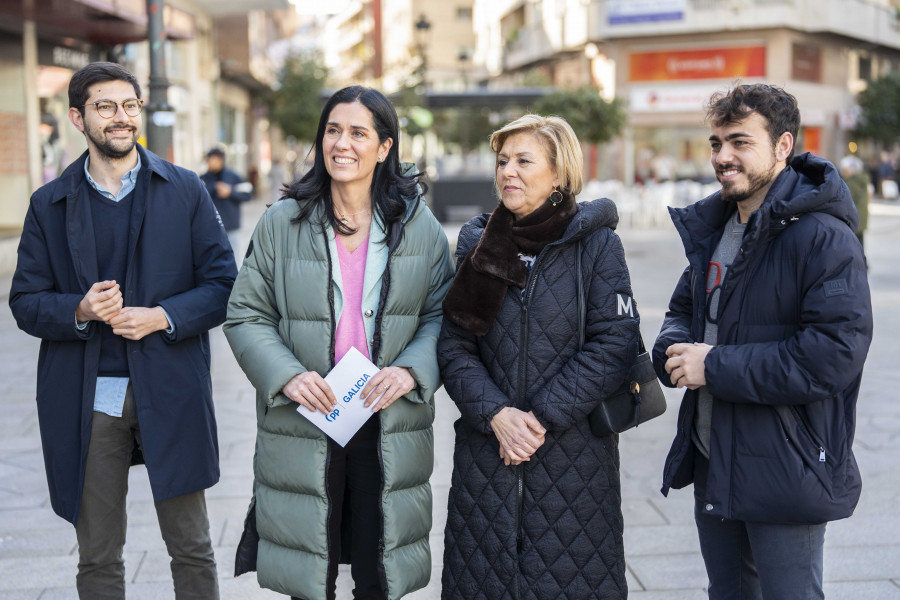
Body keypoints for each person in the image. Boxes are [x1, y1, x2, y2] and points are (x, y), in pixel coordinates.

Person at [8, 62, 236, 599]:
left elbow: (224, 283)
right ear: (77, 117)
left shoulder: (184, 190)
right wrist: (80, 310)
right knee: (98, 557)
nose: (121, 117)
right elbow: (24, 302)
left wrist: (162, 316)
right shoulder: (49, 203)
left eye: (129, 106)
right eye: (105, 107)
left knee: (192, 547)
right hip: (90, 398)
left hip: (169, 386)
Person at [224, 85, 454, 600]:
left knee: (378, 573)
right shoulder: (282, 223)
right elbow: (245, 315)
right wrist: (287, 375)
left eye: (357, 132)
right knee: (310, 573)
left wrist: (412, 370)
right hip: (305, 420)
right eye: (332, 130)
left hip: (386, 421)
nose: (341, 144)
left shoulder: (419, 228)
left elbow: (444, 316)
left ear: (385, 147)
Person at [652, 83, 872, 600]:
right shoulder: (721, 226)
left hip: (787, 460)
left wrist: (716, 366)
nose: (722, 156)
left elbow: (832, 357)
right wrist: (676, 351)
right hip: (714, 456)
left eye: (739, 142)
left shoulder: (823, 236)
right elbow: (684, 310)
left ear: (782, 146)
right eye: (715, 143)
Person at [438, 114, 640, 599]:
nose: (508, 171)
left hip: (573, 457)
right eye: (502, 161)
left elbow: (615, 342)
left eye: (523, 161)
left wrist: (538, 420)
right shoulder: (478, 242)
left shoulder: (597, 244)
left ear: (558, 174)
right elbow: (454, 344)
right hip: (487, 457)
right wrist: (496, 415)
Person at [200, 146, 253, 256]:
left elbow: (247, 194)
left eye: (214, 159)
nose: (211, 163)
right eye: (209, 160)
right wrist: (213, 188)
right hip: (210, 228)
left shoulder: (233, 176)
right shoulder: (203, 179)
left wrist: (230, 192)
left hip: (231, 227)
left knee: (234, 258)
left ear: (221, 160)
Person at [839, 154, 869, 247]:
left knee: (855, 245)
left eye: (845, 169)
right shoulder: (861, 178)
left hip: (854, 217)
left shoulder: (853, 182)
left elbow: (844, 198)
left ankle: (861, 261)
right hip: (860, 216)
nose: (843, 172)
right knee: (859, 244)